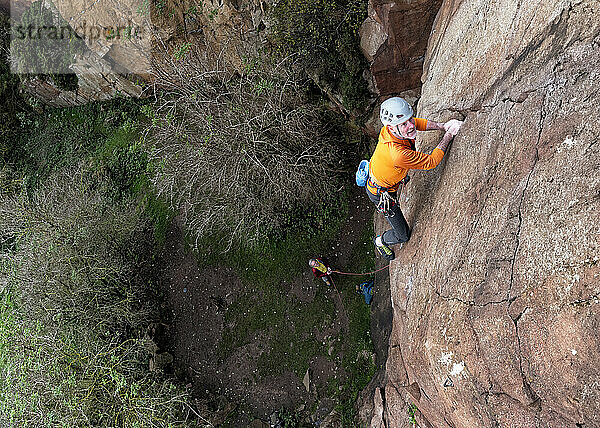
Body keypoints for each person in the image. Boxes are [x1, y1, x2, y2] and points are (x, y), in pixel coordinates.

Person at [367, 97, 463, 261]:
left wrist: (442, 126)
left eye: (409, 119)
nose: (410, 125)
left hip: (384, 177)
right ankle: (380, 241)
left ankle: (398, 178)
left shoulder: (390, 130)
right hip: (381, 194)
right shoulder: (398, 154)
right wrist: (448, 134)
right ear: (391, 127)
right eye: (404, 124)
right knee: (403, 235)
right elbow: (431, 162)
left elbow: (416, 123)